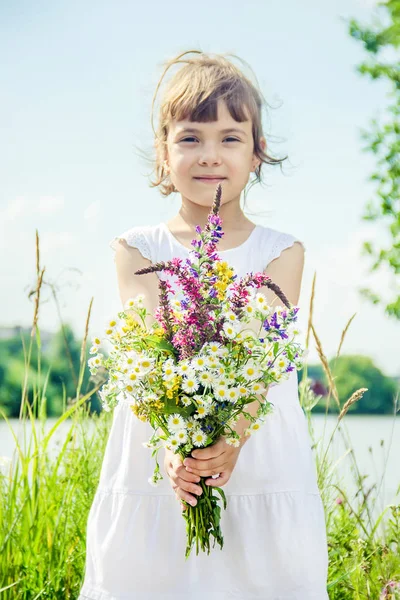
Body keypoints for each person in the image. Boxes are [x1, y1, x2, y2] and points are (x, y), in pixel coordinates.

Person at [78, 49, 329, 600]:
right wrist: (176, 443)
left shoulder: (281, 251)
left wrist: (228, 440)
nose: (210, 155)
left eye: (230, 138)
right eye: (190, 137)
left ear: (258, 152)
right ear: (164, 152)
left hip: (258, 452)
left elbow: (258, 357)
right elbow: (146, 348)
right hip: (160, 450)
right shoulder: (137, 247)